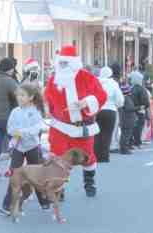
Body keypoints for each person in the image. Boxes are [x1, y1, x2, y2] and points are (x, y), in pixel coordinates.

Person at [44, 45, 107, 197]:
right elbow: (48, 100)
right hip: (60, 128)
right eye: (61, 63)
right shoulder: (54, 80)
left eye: (66, 63)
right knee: (58, 158)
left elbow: (101, 96)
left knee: (88, 157)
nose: (63, 67)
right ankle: (59, 188)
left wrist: (86, 102)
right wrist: (47, 109)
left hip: (82, 127)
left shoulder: (87, 77)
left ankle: (89, 182)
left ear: (73, 63)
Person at [0, 83, 50, 215]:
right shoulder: (15, 112)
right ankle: (7, 204)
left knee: (37, 175)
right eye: (18, 95)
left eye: (23, 95)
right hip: (18, 147)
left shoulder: (35, 111)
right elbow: (10, 128)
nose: (19, 98)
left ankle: (44, 200)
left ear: (31, 97)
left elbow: (37, 128)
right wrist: (16, 133)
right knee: (14, 175)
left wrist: (23, 132)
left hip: (33, 147)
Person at [0, 58, 19, 178]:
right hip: (8, 118)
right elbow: (20, 95)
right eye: (12, 68)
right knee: (16, 143)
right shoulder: (9, 81)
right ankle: (15, 168)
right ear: (9, 69)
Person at [94, 67, 124, 163]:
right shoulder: (113, 84)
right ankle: (104, 156)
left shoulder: (96, 82)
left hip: (97, 110)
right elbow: (119, 99)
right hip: (110, 110)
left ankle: (96, 156)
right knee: (107, 134)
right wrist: (117, 105)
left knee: (97, 134)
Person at [129, 70, 150, 147]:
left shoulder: (130, 88)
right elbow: (145, 101)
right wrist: (145, 106)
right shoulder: (141, 89)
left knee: (132, 126)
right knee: (139, 126)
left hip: (131, 110)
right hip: (140, 109)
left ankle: (131, 142)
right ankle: (137, 142)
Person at [119, 83, 136, 154]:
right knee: (126, 134)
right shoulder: (126, 98)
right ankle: (124, 149)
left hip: (124, 118)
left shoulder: (123, 98)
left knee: (124, 134)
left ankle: (123, 148)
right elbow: (129, 108)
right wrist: (138, 108)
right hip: (127, 119)